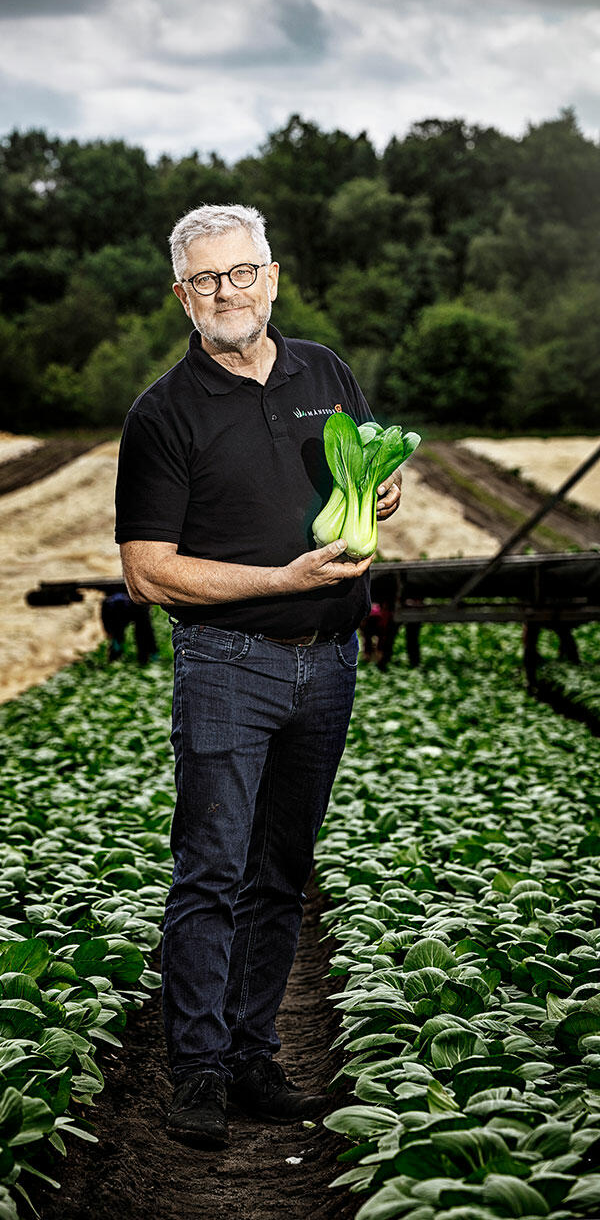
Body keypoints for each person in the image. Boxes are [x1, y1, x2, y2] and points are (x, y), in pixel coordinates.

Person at [114, 204, 401, 1149]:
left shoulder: (326, 371)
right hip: (226, 665)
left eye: (241, 273)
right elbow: (149, 570)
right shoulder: (162, 413)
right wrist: (277, 580)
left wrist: (384, 493)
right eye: (206, 280)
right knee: (211, 874)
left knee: (281, 873)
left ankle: (250, 1054)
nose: (227, 293)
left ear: (271, 277)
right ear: (181, 297)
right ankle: (195, 1073)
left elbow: (366, 472)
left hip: (330, 662)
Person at [100, 586, 158, 665]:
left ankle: (116, 656)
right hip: (121, 609)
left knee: (140, 633)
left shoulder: (109, 603)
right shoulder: (110, 604)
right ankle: (146, 658)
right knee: (141, 633)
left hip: (123, 608)